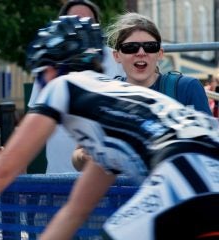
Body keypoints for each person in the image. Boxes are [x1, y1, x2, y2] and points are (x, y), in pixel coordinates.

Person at [0, 16, 219, 240]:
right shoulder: (112, 113)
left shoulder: (67, 86)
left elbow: (0, 171)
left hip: (183, 177)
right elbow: (75, 210)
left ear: (50, 70)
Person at [72, 12, 213, 171]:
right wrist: (87, 156)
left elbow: (209, 149)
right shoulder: (103, 95)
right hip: (120, 192)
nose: (141, 52)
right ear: (117, 56)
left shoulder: (186, 88)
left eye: (149, 46)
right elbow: (77, 157)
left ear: (160, 53)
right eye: (130, 47)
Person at [28, 0, 125, 174]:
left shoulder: (117, 59)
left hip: (106, 175)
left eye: (88, 21)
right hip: (58, 175)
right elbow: (34, 117)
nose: (81, 27)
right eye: (74, 21)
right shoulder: (50, 62)